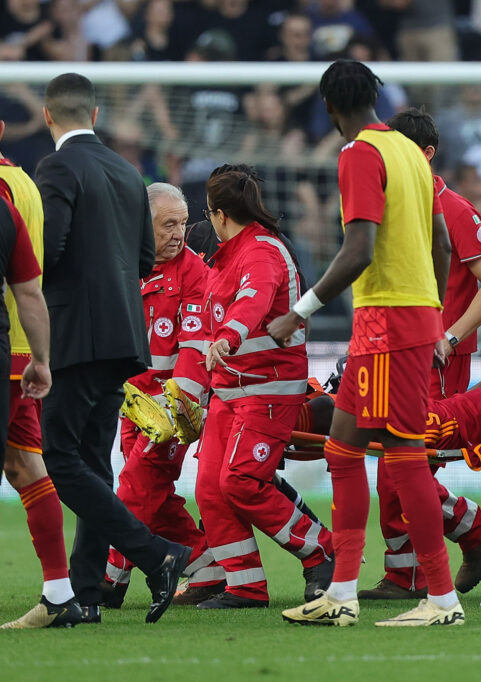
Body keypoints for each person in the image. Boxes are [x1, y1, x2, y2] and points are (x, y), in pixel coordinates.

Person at [273, 59, 464, 628]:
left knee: (406, 460)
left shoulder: (360, 153)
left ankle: (442, 599)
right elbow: (443, 243)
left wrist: (298, 313)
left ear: (330, 108)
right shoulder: (409, 149)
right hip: (401, 322)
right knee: (342, 450)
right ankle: (343, 592)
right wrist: (431, 314)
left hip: (387, 325)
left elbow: (358, 249)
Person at [34, 73, 191, 625]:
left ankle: (157, 554)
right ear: (95, 115)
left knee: (59, 457)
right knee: (94, 463)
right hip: (127, 335)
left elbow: (47, 252)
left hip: (76, 335)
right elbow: (147, 258)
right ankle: (87, 594)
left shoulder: (55, 168)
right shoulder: (128, 172)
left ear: (48, 116)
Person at [352, 108, 481, 601]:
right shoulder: (394, 205)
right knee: (392, 471)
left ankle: (473, 531)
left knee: (405, 467)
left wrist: (454, 337)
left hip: (435, 362)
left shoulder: (453, 208)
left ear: (426, 155)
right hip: (392, 353)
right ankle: (410, 571)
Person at [0, 89, 75, 630]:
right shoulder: (21, 179)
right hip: (10, 345)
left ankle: (54, 589)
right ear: (0, 129)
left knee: (13, 469)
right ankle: (43, 590)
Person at [194, 166, 334, 609]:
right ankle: (246, 586)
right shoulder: (228, 254)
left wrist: (228, 337)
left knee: (241, 482)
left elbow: (253, 301)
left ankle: (322, 549)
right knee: (211, 489)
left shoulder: (260, 251)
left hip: (269, 388)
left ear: (218, 214)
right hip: (230, 392)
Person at [101, 182, 225, 608]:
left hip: (171, 406)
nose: (179, 233)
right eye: (167, 224)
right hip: (132, 402)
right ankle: (209, 568)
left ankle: (110, 578)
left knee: (137, 485)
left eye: (183, 223)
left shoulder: (195, 273)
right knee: (153, 495)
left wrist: (180, 408)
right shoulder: (119, 264)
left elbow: (193, 348)